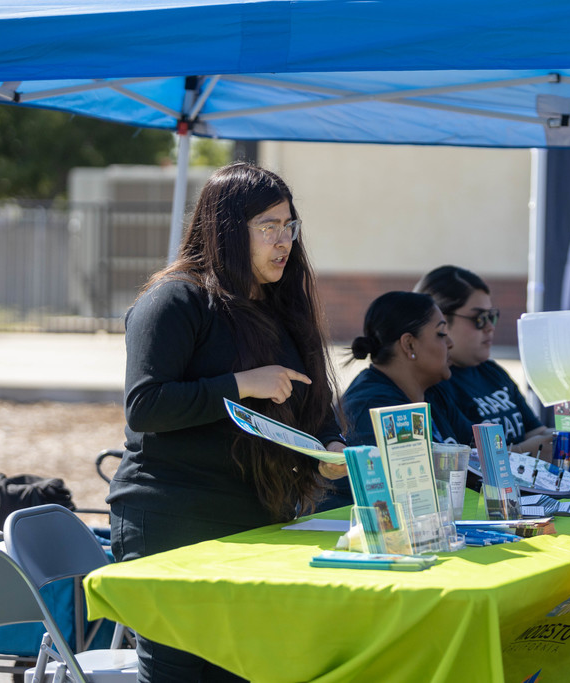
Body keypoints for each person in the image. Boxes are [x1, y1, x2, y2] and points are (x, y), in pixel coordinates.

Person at [108, 162, 347, 682]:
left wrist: (332, 450)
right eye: (268, 227)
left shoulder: (282, 304)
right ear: (225, 229)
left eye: (289, 226)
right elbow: (145, 405)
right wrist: (242, 384)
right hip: (170, 521)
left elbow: (315, 404)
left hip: (253, 520)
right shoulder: (176, 298)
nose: (283, 240)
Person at [415, 265, 554, 456]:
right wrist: (523, 452)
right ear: (440, 321)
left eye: (492, 316)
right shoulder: (433, 383)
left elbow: (537, 433)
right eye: (479, 318)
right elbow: (458, 463)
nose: (489, 327)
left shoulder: (491, 371)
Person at [340, 291, 473, 446]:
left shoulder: (432, 393)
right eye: (441, 333)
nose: (450, 343)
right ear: (409, 345)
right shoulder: (374, 409)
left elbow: (478, 451)